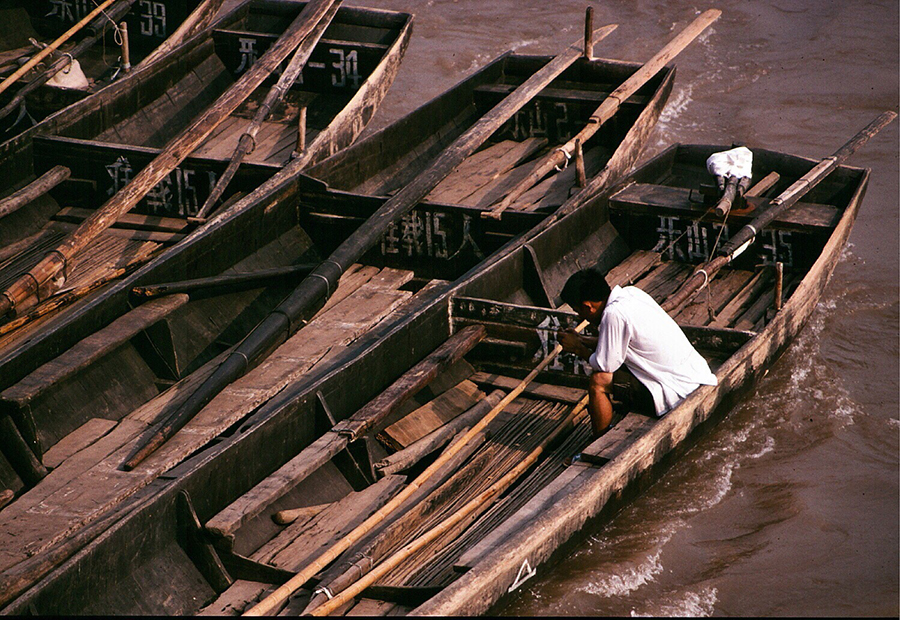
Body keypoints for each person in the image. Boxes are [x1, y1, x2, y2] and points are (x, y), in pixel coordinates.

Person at [558, 267, 717, 437]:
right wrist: (582, 340)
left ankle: (598, 438)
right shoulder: (631, 293)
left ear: (587, 306)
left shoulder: (613, 314)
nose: (580, 317)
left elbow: (605, 365)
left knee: (598, 382)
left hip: (675, 390)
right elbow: (616, 345)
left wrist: (577, 348)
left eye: (578, 311)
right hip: (696, 375)